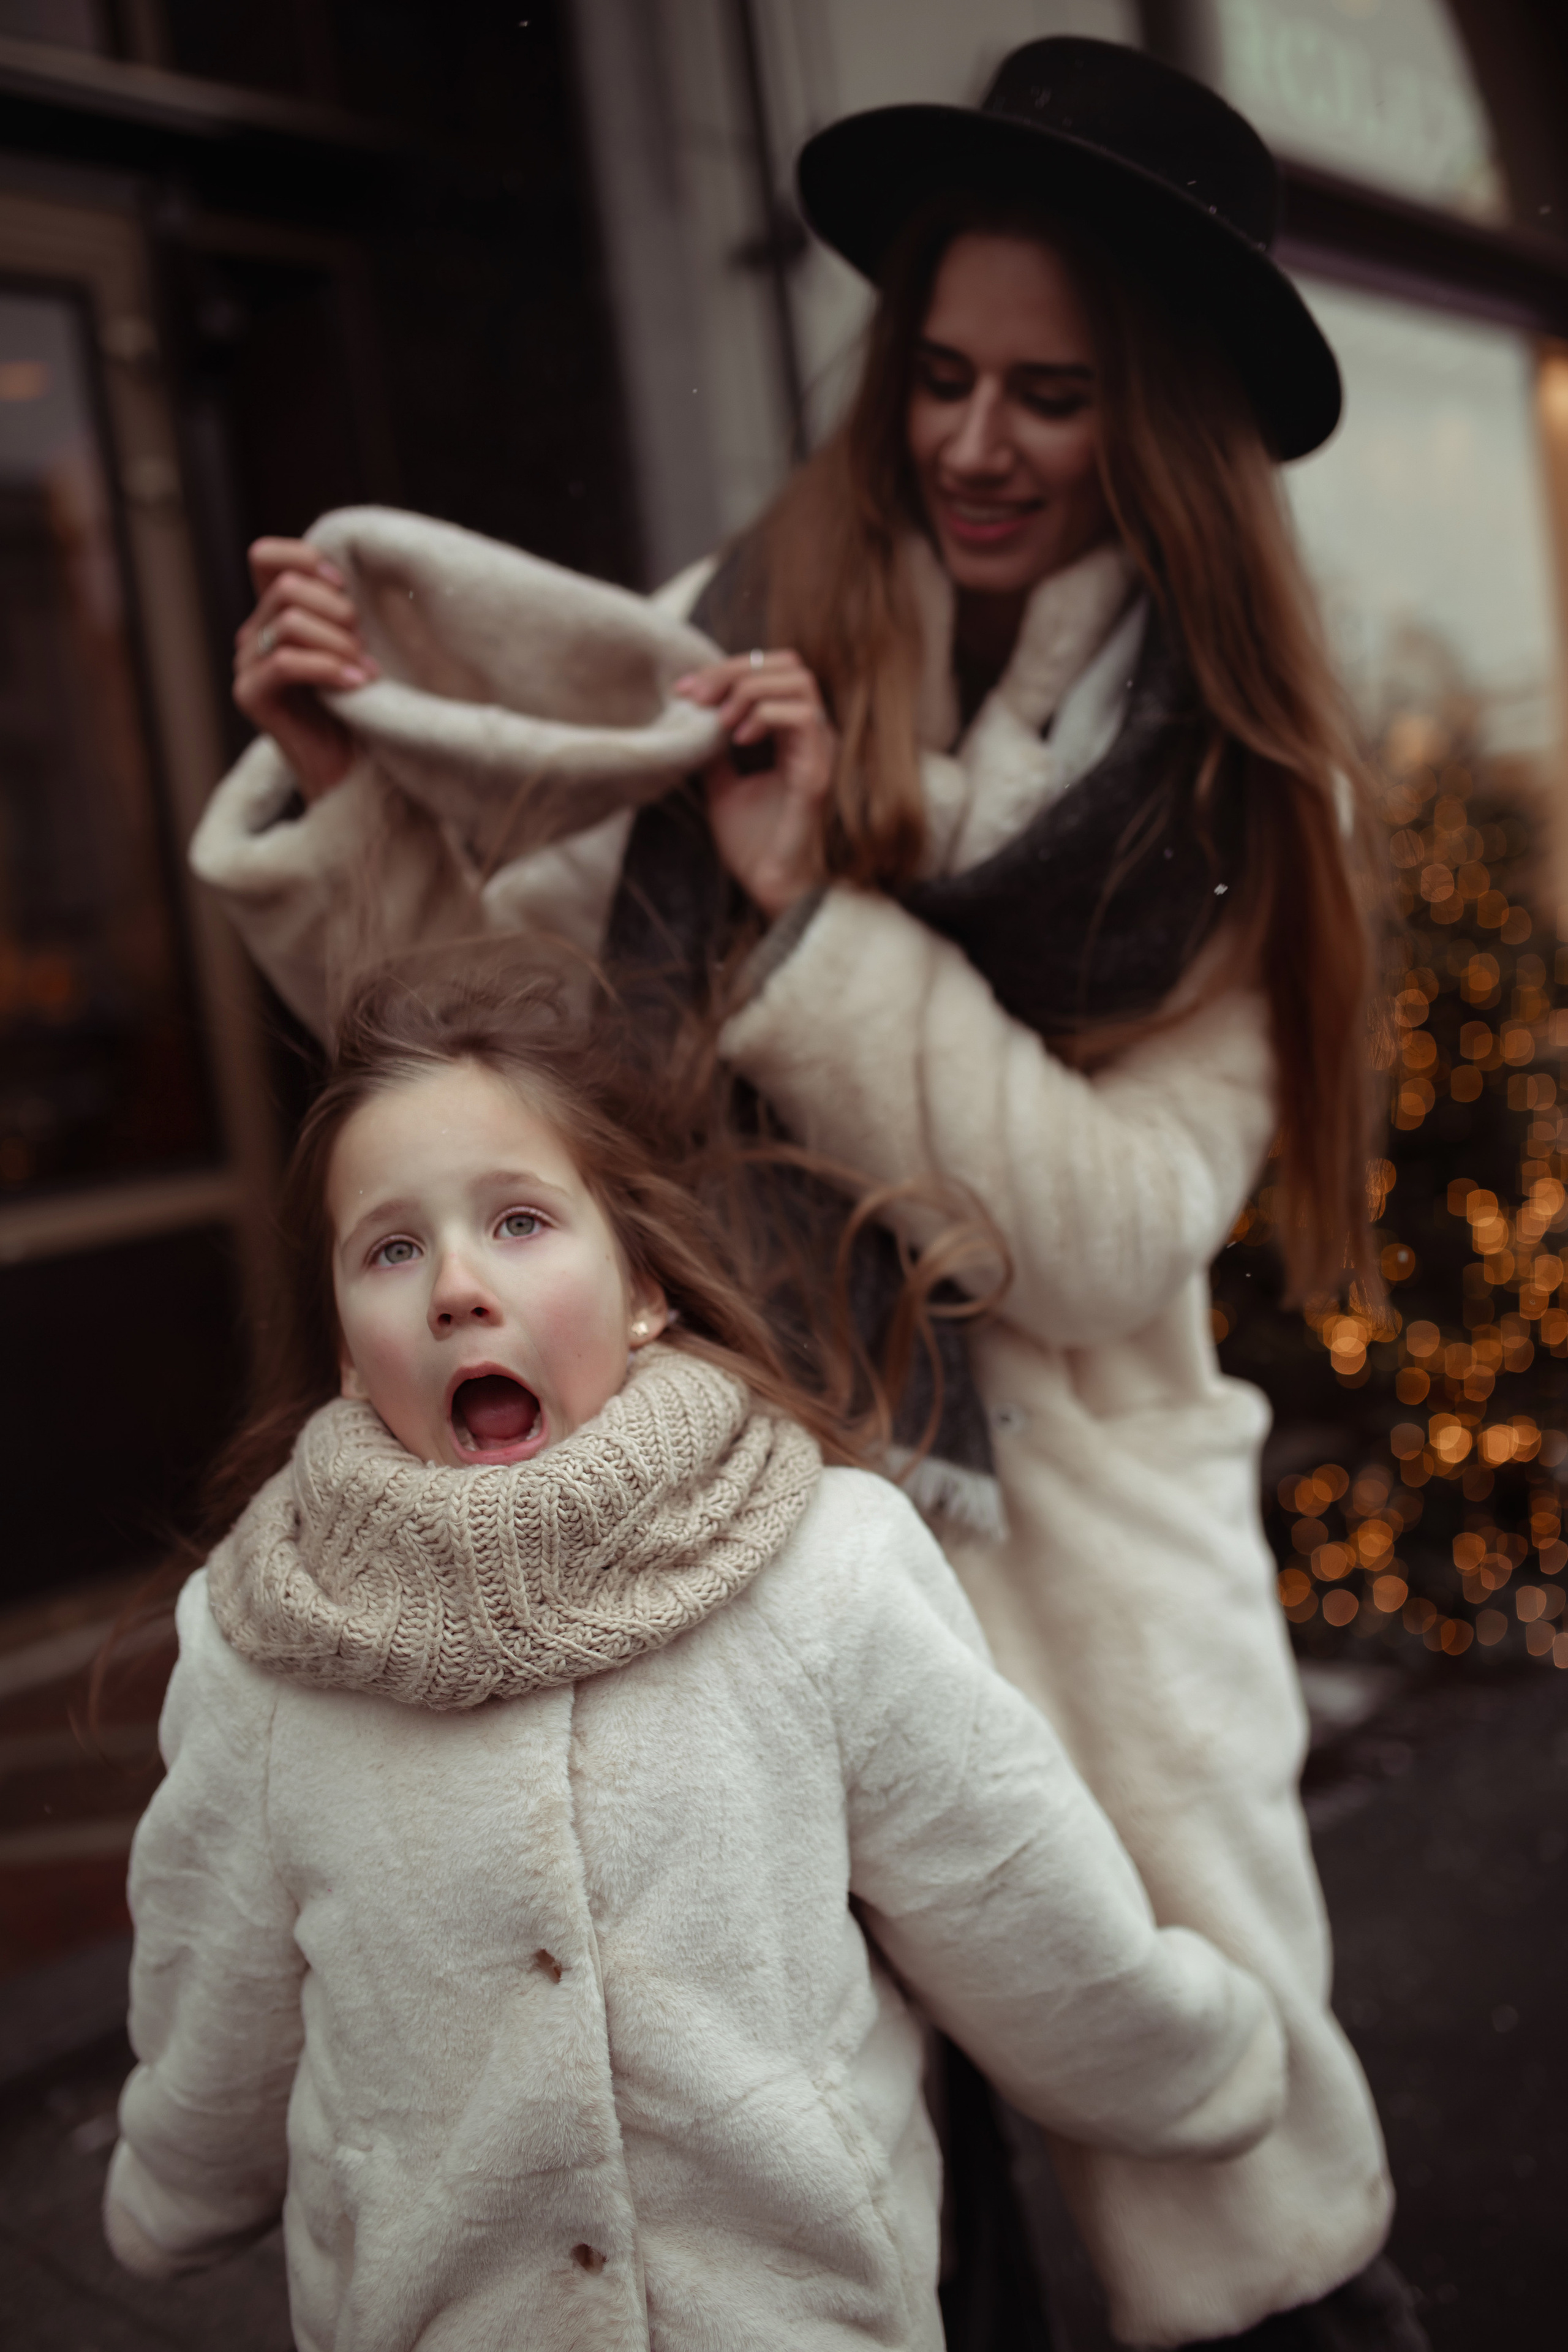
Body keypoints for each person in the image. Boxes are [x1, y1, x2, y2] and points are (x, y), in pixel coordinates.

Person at [201, 36, 1421, 2351]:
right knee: (863, 2200)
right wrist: (343, 783)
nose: (973, 443)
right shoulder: (743, 626)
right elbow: (506, 1076)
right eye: (942, 375)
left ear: (1153, 421)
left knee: (1225, 2209)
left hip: (1072, 1563)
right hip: (735, 1538)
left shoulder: (1236, 807)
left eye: (1050, 398)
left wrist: (807, 931)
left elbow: (1106, 1234)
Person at [103, 954, 1291, 2352]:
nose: (457, 1287)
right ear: (354, 1358)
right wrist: (176, 2186)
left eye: (521, 1220)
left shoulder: (822, 1569)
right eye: (391, 1249)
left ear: (645, 1284)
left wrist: (1184, 2055)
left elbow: (1005, 1881)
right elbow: (219, 2002)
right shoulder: (266, 1657)